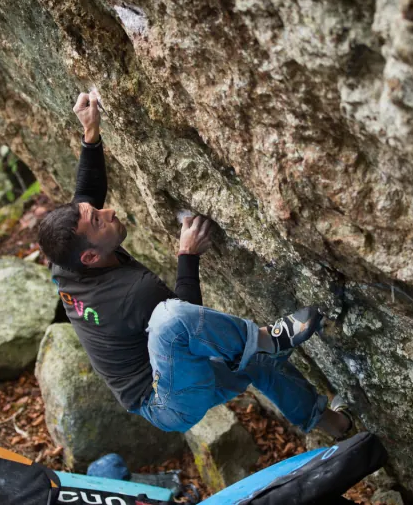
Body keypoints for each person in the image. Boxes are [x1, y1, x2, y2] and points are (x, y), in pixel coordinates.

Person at [37, 90, 352, 438]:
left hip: (172, 371)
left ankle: (337, 427)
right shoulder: (129, 294)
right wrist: (187, 256)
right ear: (91, 257)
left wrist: (91, 132)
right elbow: (188, 318)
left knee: (252, 362)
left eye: (97, 212)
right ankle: (266, 339)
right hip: (167, 402)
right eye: (99, 221)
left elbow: (87, 193)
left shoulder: (66, 260)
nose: (107, 211)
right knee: (171, 319)